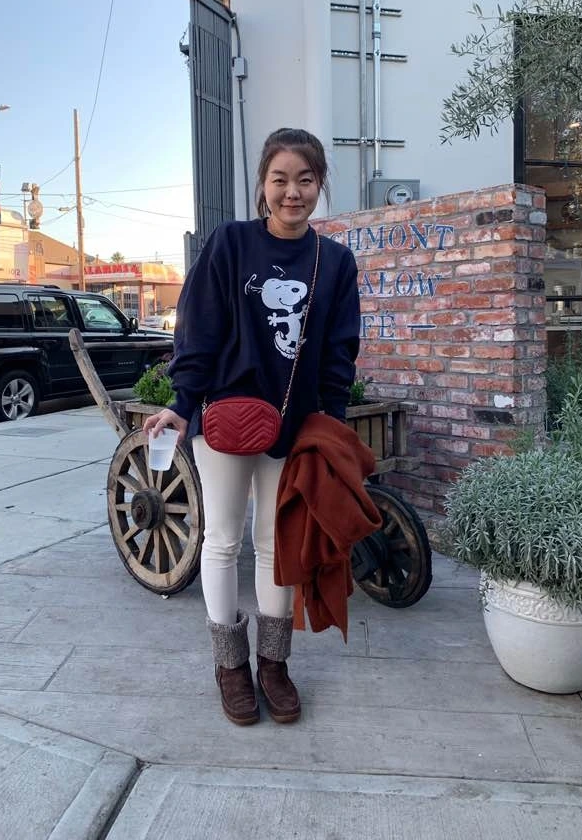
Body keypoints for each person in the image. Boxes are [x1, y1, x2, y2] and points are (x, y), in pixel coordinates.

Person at [144, 127, 360, 726]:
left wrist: (332, 424)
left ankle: (273, 663)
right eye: (280, 179)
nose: (293, 192)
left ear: (320, 184)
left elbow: (340, 350)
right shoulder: (231, 244)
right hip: (226, 420)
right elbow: (199, 327)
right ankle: (230, 666)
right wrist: (182, 402)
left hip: (293, 426)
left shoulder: (335, 262)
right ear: (262, 185)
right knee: (221, 541)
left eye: (305, 180)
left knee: (275, 543)